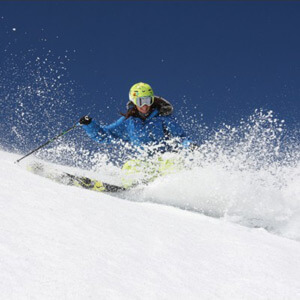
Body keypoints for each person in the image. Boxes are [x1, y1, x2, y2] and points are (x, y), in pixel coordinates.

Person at [79, 82, 192, 187]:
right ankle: (131, 191)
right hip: (147, 163)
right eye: (140, 101)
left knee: (170, 162)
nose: (144, 106)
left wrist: (189, 145)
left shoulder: (163, 119)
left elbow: (181, 137)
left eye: (148, 100)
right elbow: (104, 135)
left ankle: (169, 189)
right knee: (130, 166)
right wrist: (89, 124)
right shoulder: (128, 122)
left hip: (166, 159)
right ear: (134, 102)